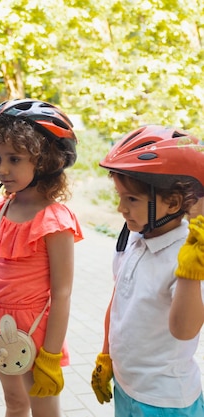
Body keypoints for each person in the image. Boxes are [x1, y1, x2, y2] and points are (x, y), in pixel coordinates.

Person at [0, 99, 83, 417]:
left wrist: (50, 354)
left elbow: (62, 293)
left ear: (45, 161)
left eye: (14, 159)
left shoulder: (54, 221)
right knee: (14, 404)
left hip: (38, 331)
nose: (2, 169)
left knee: (44, 409)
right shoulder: (0, 209)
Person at [91, 125, 204, 416]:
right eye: (120, 197)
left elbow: (185, 330)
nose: (120, 208)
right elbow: (118, 299)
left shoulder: (188, 255)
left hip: (164, 401)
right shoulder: (136, 236)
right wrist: (106, 354)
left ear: (173, 203)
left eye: (131, 199)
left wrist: (190, 274)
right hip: (127, 388)